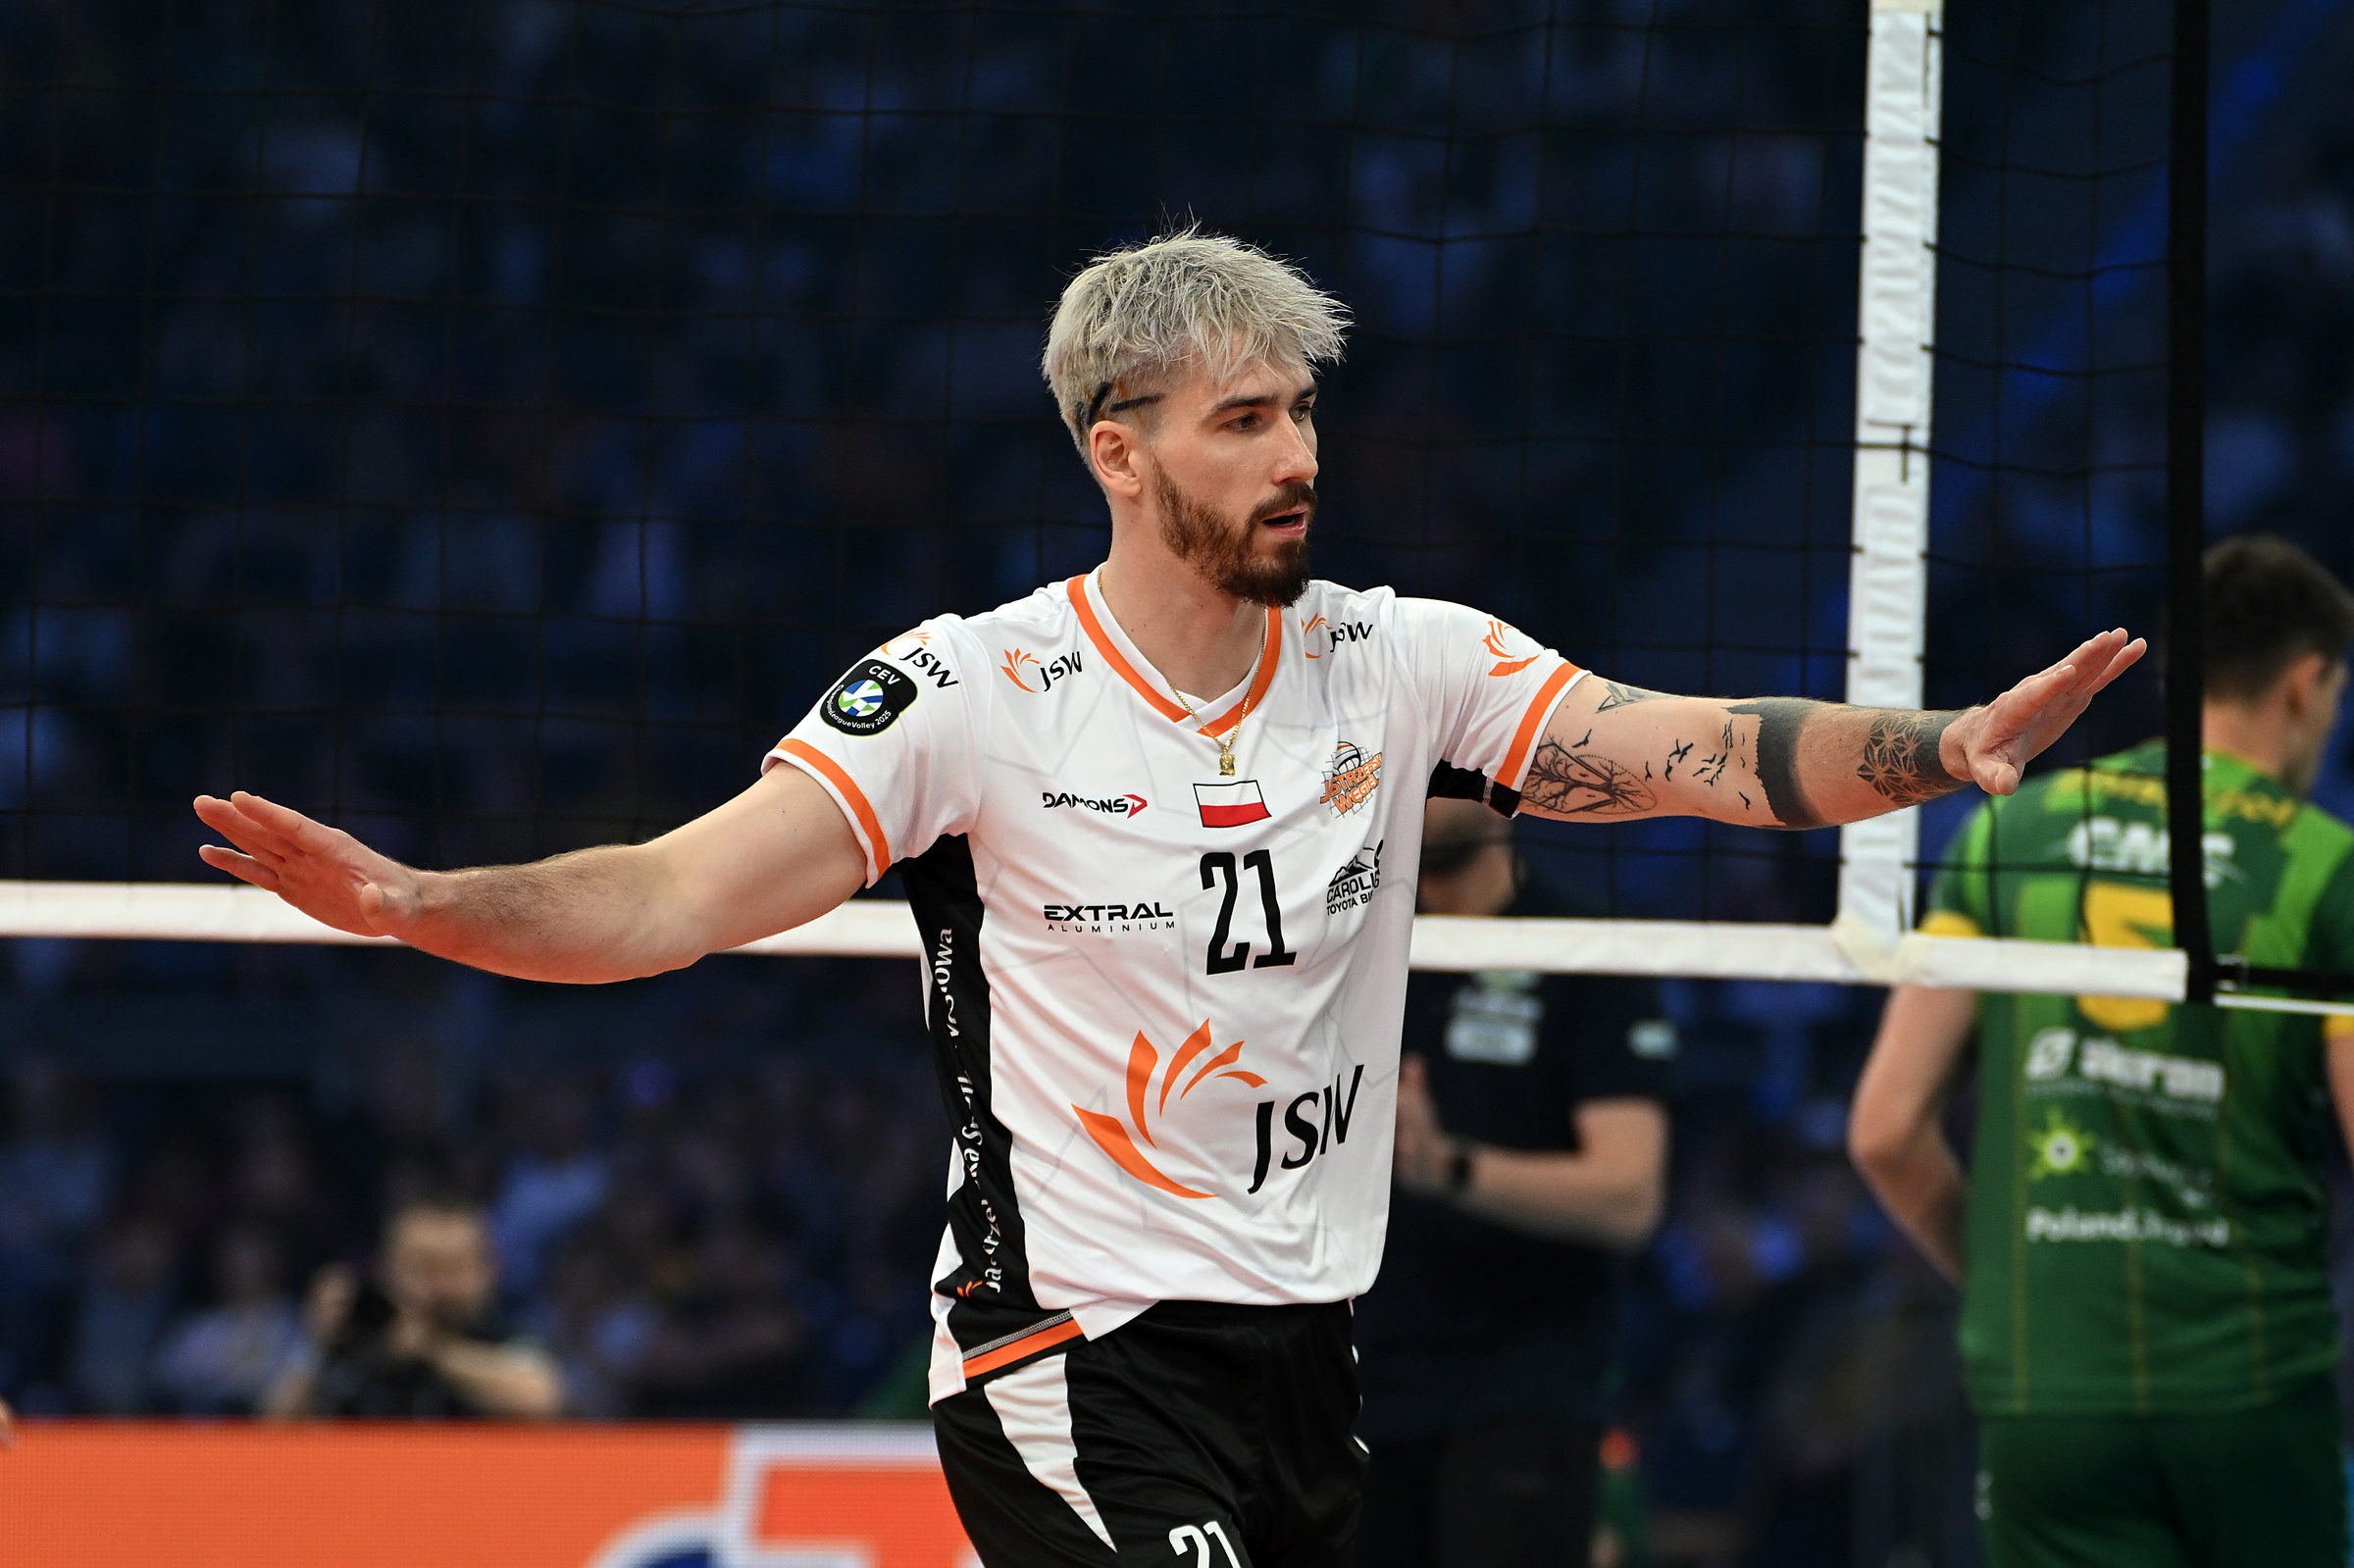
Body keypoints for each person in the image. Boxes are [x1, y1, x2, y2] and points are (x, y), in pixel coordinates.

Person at [194, 229, 2140, 1565]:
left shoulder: (1400, 659)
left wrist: (1940, 741)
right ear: (1117, 451)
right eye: (1246, 421)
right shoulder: (970, 693)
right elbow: (664, 896)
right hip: (1069, 1349)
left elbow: (1700, 747)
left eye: (1303, 412)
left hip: (1312, 1348)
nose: (1299, 458)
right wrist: (422, 898)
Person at [1849, 533, 2354, 1568]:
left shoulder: (2011, 830)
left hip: (2049, 1384)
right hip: (2250, 1379)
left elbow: (1886, 1133)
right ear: (2306, 684)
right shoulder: (2324, 867)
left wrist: (2009, 1280)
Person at [1354, 796, 1673, 1568]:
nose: (1429, 781)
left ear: (1501, 780)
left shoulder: (1587, 950)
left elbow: (1630, 1195)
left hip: (1523, 1382)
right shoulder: (1346, 938)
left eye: (1451, 759)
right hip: (1351, 1380)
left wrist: (1450, 1167)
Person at [265, 1196, 562, 1419]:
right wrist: (316, 1345)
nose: (442, 1286)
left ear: (488, 1271)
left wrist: (430, 1348)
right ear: (386, 1269)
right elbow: (272, 1430)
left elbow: (541, 1398)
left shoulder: (504, 1335)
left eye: (456, 1269)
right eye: (424, 1269)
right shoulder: (355, 1339)